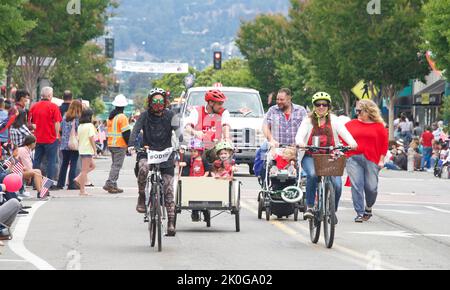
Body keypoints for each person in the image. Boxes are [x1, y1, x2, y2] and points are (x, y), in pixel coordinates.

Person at [295, 92, 357, 221]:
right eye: (318, 104)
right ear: (314, 106)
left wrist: (352, 143)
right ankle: (310, 207)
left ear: (329, 106)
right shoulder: (307, 121)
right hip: (311, 156)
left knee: (337, 185)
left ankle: (331, 211)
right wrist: (300, 142)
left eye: (324, 104)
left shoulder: (335, 120)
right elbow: (300, 135)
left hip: (331, 156)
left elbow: (345, 134)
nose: (321, 107)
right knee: (312, 175)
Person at [128, 88, 179, 236]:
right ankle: (142, 196)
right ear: (150, 103)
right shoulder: (144, 116)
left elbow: (179, 130)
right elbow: (135, 130)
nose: (158, 104)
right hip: (147, 151)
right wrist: (132, 144)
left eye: (160, 101)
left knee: (169, 188)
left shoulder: (171, 115)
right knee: (143, 168)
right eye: (155, 101)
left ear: (165, 102)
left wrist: (182, 143)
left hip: (166, 153)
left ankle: (170, 222)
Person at [345, 99, 388, 223]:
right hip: (353, 158)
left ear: (368, 111)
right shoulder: (350, 124)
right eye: (356, 111)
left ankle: (368, 207)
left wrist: (381, 160)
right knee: (356, 185)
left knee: (371, 187)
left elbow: (383, 144)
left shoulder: (379, 126)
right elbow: (342, 138)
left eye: (360, 111)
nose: (357, 114)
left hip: (372, 159)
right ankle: (359, 212)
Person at [28, 87, 62, 186]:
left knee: (37, 160)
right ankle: (49, 184)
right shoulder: (54, 107)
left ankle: (36, 183)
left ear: (42, 95)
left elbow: (30, 122)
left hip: (37, 138)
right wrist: (56, 135)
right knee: (51, 161)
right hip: (50, 138)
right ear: (50, 96)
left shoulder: (34, 107)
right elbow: (57, 122)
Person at [183, 89, 231, 159]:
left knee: (224, 157)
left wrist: (226, 138)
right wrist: (195, 132)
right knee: (188, 158)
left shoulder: (224, 112)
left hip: (216, 147)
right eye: (219, 104)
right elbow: (187, 127)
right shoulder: (197, 111)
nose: (221, 106)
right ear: (211, 102)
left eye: (222, 103)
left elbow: (225, 126)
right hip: (199, 147)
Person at [103, 94, 131, 194]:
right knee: (117, 165)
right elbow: (126, 133)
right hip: (119, 145)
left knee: (114, 164)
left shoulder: (111, 117)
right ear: (124, 106)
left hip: (111, 144)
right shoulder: (122, 117)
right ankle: (110, 183)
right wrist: (129, 145)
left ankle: (113, 185)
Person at [57, 100, 82, 190]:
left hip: (64, 143)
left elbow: (60, 129)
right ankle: (71, 184)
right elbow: (79, 131)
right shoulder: (78, 118)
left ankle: (60, 183)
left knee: (64, 163)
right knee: (73, 163)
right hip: (74, 144)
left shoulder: (65, 116)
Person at [73, 109, 96, 196]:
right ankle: (82, 190)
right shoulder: (90, 125)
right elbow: (91, 138)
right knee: (84, 171)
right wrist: (95, 149)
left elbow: (78, 138)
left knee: (92, 166)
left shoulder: (80, 126)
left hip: (82, 149)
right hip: (87, 149)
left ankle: (78, 179)